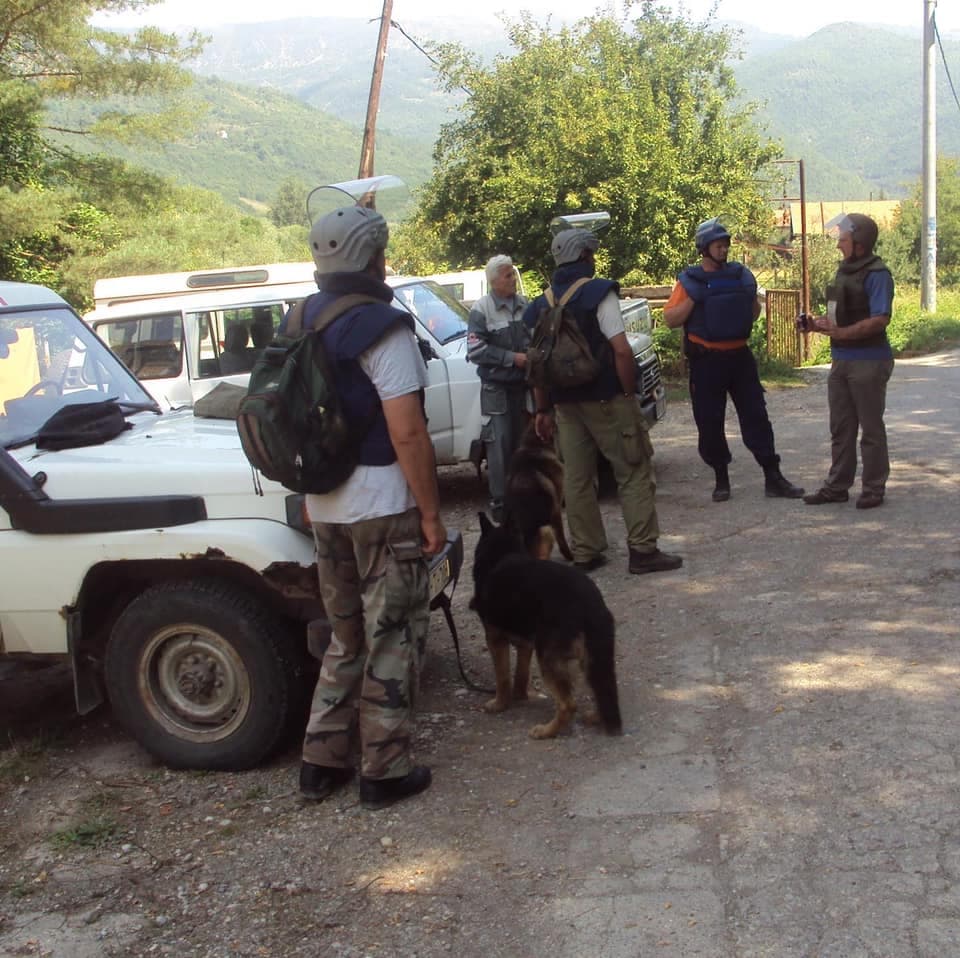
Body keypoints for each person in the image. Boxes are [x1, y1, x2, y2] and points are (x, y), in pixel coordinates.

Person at [290, 204, 446, 809]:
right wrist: (430, 515)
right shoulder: (382, 325)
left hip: (323, 505)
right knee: (392, 634)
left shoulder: (298, 318)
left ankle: (319, 762)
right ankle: (383, 770)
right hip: (382, 505)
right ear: (372, 256)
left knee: (344, 634)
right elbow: (407, 434)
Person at [523, 227, 682, 576]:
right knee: (634, 469)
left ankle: (586, 552)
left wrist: (543, 408)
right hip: (607, 398)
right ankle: (643, 549)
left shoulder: (540, 304)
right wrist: (627, 392)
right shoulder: (599, 293)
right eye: (591, 253)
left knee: (577, 479)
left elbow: (537, 364)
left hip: (565, 406)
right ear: (584, 256)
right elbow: (621, 350)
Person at [662, 218, 804, 503]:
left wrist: (740, 301)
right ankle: (721, 480)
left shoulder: (741, 276)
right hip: (707, 361)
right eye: (718, 245)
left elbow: (751, 314)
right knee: (709, 421)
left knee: (757, 417)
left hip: (740, 358)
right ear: (704, 248)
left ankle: (773, 478)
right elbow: (670, 319)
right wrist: (695, 299)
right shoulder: (689, 281)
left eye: (726, 244)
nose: (724, 249)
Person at [801, 213, 894, 510]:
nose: (839, 243)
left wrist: (841, 332)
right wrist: (815, 324)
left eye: (844, 239)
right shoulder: (844, 271)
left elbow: (880, 320)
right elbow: (838, 317)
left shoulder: (877, 274)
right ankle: (838, 486)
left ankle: (873, 488)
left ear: (860, 244)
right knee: (841, 427)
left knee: (870, 428)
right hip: (841, 360)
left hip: (869, 360)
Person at [466, 254, 531, 521]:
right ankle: (501, 506)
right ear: (493, 281)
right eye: (507, 275)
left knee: (524, 447)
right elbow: (475, 350)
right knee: (499, 448)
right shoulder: (481, 310)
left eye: (513, 274)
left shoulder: (524, 305)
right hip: (496, 391)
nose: (513, 279)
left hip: (523, 389)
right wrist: (511, 359)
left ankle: (524, 501)